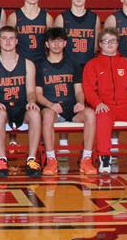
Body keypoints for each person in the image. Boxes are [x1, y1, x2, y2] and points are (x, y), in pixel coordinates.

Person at [82, 28, 127, 175]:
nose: (110, 44)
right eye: (106, 41)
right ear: (100, 44)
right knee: (102, 117)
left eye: (113, 41)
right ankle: (104, 157)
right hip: (105, 105)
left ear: (117, 43)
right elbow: (89, 89)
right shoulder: (92, 64)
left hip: (126, 105)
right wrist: (97, 103)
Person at [35, 27, 96, 175]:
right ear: (47, 44)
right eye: (53, 41)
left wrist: (80, 102)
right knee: (47, 115)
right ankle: (51, 160)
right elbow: (37, 94)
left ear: (65, 43)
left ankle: (86, 159)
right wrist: (50, 105)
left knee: (90, 114)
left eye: (60, 41)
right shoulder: (39, 65)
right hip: (52, 109)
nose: (56, 44)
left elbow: (79, 91)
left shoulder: (73, 64)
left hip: (71, 108)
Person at [0, 26, 42, 177]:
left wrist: (32, 101)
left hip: (21, 107)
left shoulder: (28, 64)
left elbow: (31, 91)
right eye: (4, 38)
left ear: (16, 41)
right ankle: (2, 160)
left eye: (11, 38)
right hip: (3, 108)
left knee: (35, 113)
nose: (8, 41)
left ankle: (31, 160)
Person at [54, 0, 101, 69]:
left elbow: (95, 46)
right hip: (67, 65)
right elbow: (56, 46)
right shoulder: (61, 18)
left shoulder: (94, 18)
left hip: (88, 64)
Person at [7, 0, 51, 66]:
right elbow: (7, 42)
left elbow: (51, 43)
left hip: (41, 62)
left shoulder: (47, 18)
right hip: (20, 62)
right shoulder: (13, 17)